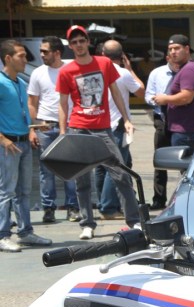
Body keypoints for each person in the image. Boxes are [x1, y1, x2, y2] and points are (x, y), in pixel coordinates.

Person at [57, 25, 141, 240]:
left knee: (121, 174)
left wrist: (127, 119)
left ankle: (133, 221)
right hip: (78, 128)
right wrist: (63, 132)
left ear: (87, 42)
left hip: (103, 128)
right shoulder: (66, 71)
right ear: (71, 45)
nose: (78, 45)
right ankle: (87, 224)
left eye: (81, 40)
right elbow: (63, 104)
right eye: (74, 42)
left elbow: (115, 92)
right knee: (82, 180)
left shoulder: (103, 63)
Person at [0, 39, 52, 252]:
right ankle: (3, 235)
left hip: (22, 142)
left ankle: (25, 232)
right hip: (7, 144)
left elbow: (20, 114)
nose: (26, 59)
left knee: (24, 191)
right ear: (8, 58)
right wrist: (3, 139)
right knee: (6, 191)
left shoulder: (21, 83)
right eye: (21, 56)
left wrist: (36, 127)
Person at [27, 35, 81, 224]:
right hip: (45, 126)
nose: (41, 54)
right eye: (41, 51)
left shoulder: (72, 69)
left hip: (70, 125)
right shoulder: (37, 73)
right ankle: (48, 208)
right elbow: (32, 103)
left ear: (57, 53)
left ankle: (73, 207)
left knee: (71, 168)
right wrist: (32, 128)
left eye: (45, 51)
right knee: (46, 170)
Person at [95, 39, 145, 220]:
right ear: (122, 56)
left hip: (98, 124)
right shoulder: (123, 73)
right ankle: (108, 207)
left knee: (102, 167)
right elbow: (142, 92)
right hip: (118, 125)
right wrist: (131, 69)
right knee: (116, 167)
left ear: (102, 55)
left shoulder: (96, 71)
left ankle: (104, 203)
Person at [152, 34, 194, 153]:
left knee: (187, 169)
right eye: (170, 49)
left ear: (187, 49)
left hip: (187, 132)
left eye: (176, 48)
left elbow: (187, 97)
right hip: (183, 131)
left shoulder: (189, 69)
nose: (173, 52)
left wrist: (165, 99)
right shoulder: (185, 68)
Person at [145, 54, 178, 210]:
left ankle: (182, 197)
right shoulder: (157, 73)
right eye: (172, 56)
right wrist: (157, 99)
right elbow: (148, 95)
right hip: (162, 117)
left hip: (181, 119)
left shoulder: (187, 72)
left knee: (184, 159)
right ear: (167, 58)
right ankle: (159, 198)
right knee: (160, 159)